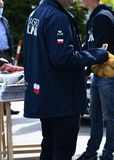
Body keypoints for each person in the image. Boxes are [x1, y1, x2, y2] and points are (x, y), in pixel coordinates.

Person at [23, 0, 109, 159]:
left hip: (47, 96)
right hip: (61, 99)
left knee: (49, 147)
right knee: (62, 151)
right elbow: (63, 57)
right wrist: (98, 54)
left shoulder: (37, 13)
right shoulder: (57, 17)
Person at [77, 0, 114, 160]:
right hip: (98, 72)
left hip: (109, 74)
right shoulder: (94, 17)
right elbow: (89, 45)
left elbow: (99, 49)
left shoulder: (103, 17)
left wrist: (86, 71)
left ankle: (107, 154)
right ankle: (91, 152)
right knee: (95, 116)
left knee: (109, 116)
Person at [0, 0, 19, 115]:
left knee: (8, 81)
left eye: (2, 7)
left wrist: (11, 54)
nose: (1, 9)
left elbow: (8, 36)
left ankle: (7, 107)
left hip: (6, 53)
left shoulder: (4, 20)